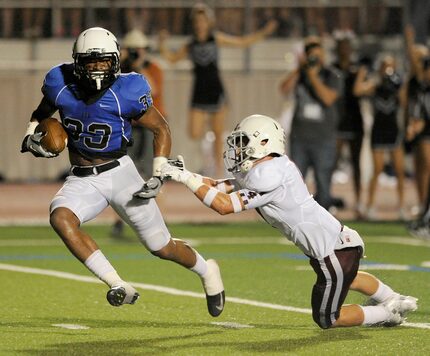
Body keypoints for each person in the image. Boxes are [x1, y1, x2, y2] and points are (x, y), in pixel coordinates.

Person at [20, 27, 225, 317]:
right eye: (90, 61)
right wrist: (31, 137)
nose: (97, 67)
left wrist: (158, 172)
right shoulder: (60, 83)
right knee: (61, 218)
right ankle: (117, 283)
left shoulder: (127, 90)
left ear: (115, 60)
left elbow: (160, 127)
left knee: (161, 246)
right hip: (81, 177)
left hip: (120, 173)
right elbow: (42, 113)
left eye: (103, 61)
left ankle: (207, 270)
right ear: (77, 62)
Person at [158, 114, 418, 329]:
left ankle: (388, 313)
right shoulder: (268, 168)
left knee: (327, 318)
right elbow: (220, 186)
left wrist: (186, 180)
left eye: (243, 141)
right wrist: (184, 174)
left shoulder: (268, 174)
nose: (237, 148)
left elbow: (223, 205)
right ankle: (393, 297)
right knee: (347, 278)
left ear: (263, 142)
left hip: (333, 253)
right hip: (339, 244)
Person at [158, 2, 277, 177]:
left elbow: (242, 42)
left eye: (203, 20)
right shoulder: (190, 45)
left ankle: (218, 171)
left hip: (216, 91)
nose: (200, 24)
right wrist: (162, 44)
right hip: (199, 92)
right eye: (197, 21)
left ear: (208, 22)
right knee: (194, 132)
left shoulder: (216, 38)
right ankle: (208, 162)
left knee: (218, 134)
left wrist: (264, 33)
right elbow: (172, 59)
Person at [111, 29, 167, 238]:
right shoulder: (120, 71)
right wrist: (121, 63)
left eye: (139, 49)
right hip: (128, 126)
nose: (136, 53)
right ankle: (119, 222)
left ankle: (160, 221)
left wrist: (138, 66)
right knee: (122, 176)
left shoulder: (153, 68)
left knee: (154, 175)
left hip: (150, 127)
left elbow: (152, 89)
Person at [280, 36, 342, 210]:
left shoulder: (331, 74)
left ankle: (323, 223)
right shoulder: (300, 74)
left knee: (323, 184)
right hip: (300, 137)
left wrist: (313, 78)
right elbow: (283, 89)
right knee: (295, 182)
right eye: (311, 55)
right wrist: (300, 69)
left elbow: (328, 98)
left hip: (324, 138)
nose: (315, 59)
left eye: (317, 54)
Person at [353, 56, 406, 220]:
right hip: (378, 131)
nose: (388, 70)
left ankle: (402, 207)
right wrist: (363, 74)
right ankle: (369, 206)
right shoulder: (375, 86)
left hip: (393, 131)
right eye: (385, 67)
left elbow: (404, 103)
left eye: (391, 67)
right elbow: (357, 90)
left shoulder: (397, 85)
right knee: (377, 170)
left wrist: (399, 85)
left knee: (399, 170)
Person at [332, 32, 364, 218]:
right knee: (332, 162)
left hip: (355, 120)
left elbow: (361, 91)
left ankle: (359, 201)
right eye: (341, 46)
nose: (344, 50)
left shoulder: (357, 68)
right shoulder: (332, 69)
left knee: (356, 162)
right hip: (337, 121)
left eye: (347, 46)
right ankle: (327, 200)